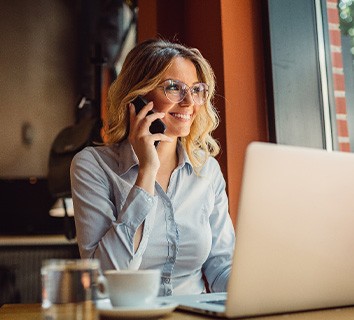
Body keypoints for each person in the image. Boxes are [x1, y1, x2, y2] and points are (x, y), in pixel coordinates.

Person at [70, 38, 235, 296]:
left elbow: (221, 266)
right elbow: (106, 278)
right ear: (137, 98)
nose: (189, 102)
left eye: (196, 90)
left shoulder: (207, 171)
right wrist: (146, 173)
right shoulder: (93, 166)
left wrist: (259, 292)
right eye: (173, 88)